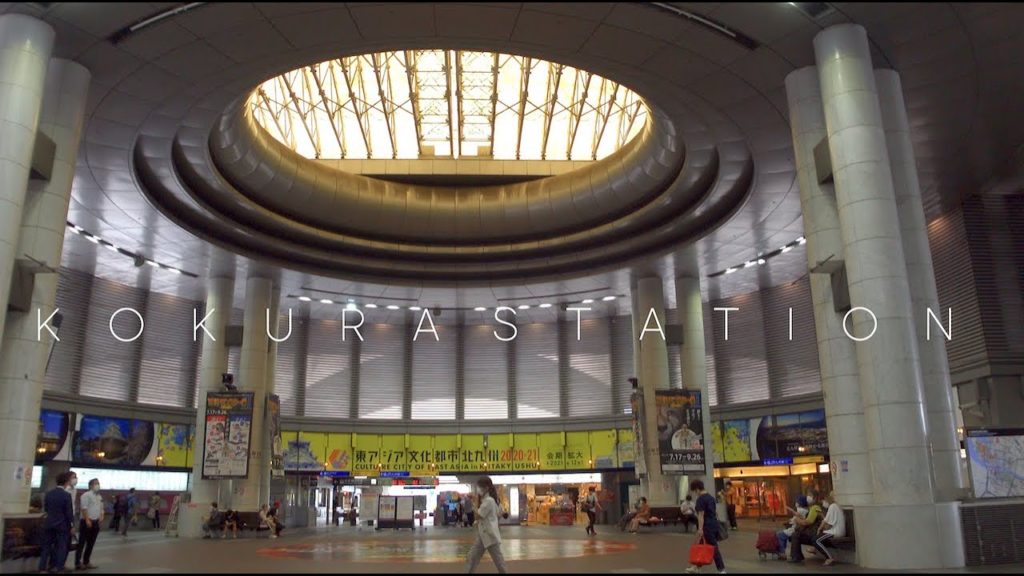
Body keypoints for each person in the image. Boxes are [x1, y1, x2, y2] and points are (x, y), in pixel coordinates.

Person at [465, 476, 507, 574]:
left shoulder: (489, 501)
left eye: (479, 487)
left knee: (499, 562)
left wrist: (473, 502)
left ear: (486, 487)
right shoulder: (490, 500)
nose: (478, 489)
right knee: (472, 557)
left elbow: (477, 515)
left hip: (490, 536)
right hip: (483, 536)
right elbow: (499, 513)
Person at [685, 479, 726, 574]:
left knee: (713, 547)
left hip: (707, 526)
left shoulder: (701, 499)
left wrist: (700, 529)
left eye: (695, 491)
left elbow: (701, 515)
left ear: (697, 489)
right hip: (714, 524)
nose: (695, 493)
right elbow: (715, 512)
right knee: (700, 544)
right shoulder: (711, 498)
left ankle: (721, 569)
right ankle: (695, 566)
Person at [39, 471, 76, 574]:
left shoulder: (49, 494)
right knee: (61, 547)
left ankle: (42, 568)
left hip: (49, 523)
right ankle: (58, 568)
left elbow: (46, 508)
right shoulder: (66, 495)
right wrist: (72, 525)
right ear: (66, 482)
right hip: (62, 525)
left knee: (46, 547)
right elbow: (68, 512)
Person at [787, 489, 824, 563]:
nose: (808, 497)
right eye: (808, 495)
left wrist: (797, 520)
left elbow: (808, 522)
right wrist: (800, 517)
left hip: (814, 532)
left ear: (815, 498)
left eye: (810, 496)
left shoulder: (815, 508)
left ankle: (796, 556)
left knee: (795, 535)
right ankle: (796, 556)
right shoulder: (812, 507)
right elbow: (808, 519)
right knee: (796, 534)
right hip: (812, 531)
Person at [75, 478, 103, 571]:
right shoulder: (86, 495)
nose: (97, 485)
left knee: (91, 543)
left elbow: (101, 507)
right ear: (90, 485)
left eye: (98, 483)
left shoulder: (99, 496)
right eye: (95, 483)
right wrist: (87, 519)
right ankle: (78, 563)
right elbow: (84, 508)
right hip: (86, 521)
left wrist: (101, 515)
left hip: (95, 522)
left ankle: (86, 561)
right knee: (82, 543)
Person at [815, 491, 845, 566]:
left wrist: (819, 528)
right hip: (835, 530)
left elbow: (827, 524)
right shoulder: (834, 506)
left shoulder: (833, 506)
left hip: (836, 531)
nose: (823, 504)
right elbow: (827, 521)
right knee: (816, 537)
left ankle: (829, 557)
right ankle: (816, 549)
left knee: (816, 540)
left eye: (823, 501)